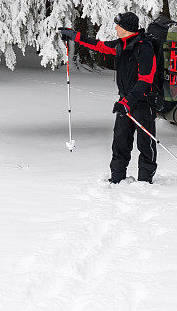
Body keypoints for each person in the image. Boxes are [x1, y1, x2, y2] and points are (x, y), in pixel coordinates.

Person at [58, 12, 158, 184]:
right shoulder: (120, 45)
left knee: (145, 144)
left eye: (118, 25)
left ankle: (145, 181)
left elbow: (145, 80)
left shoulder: (145, 47)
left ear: (126, 28)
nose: (116, 28)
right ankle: (117, 178)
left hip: (143, 102)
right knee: (120, 141)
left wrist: (127, 102)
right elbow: (99, 46)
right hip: (124, 101)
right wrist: (75, 36)